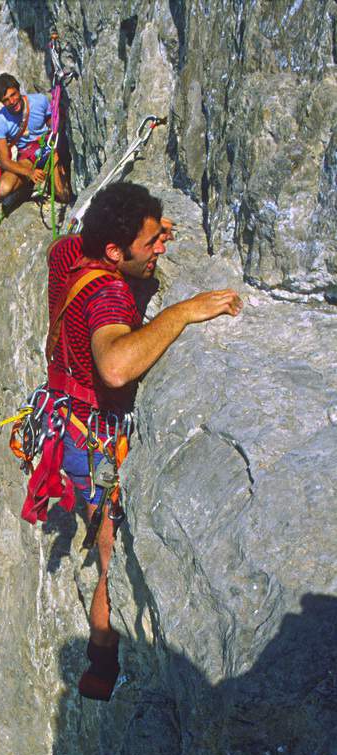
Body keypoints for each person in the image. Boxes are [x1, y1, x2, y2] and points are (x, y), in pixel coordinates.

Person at [41, 182, 243, 700]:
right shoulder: (108, 290)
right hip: (95, 437)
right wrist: (180, 312)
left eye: (161, 238)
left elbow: (73, 243)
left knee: (95, 514)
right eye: (152, 242)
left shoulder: (70, 254)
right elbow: (114, 365)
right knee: (110, 551)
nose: (162, 249)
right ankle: (102, 658)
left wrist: (144, 232)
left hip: (66, 426)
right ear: (114, 252)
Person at [0, 72, 70, 209]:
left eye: (13, 95)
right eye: (6, 100)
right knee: (3, 189)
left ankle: (48, 177)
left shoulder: (39, 101)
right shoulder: (0, 122)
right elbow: (5, 162)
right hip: (28, 156)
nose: (12, 101)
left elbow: (52, 122)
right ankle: (28, 184)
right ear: (1, 102)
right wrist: (29, 173)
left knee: (63, 195)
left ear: (18, 90)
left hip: (49, 148)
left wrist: (56, 119)